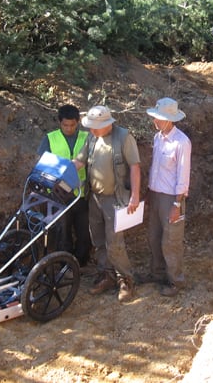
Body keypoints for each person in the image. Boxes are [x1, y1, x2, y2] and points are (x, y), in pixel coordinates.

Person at [73, 105, 141, 303]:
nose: (91, 130)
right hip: (94, 198)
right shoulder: (92, 137)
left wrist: (135, 196)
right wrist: (59, 171)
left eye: (95, 126)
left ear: (106, 124)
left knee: (115, 243)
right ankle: (106, 275)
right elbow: (78, 162)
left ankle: (125, 280)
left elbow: (135, 168)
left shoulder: (123, 138)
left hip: (115, 199)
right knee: (99, 240)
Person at [144, 98, 191, 297]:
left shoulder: (181, 142)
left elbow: (183, 176)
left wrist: (176, 204)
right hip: (155, 195)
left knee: (171, 240)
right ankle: (157, 273)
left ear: (170, 120)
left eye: (159, 118)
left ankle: (176, 281)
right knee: (154, 236)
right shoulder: (158, 137)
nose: (155, 120)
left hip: (171, 197)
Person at [36, 104, 91, 267]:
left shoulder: (86, 137)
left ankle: (81, 264)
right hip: (57, 194)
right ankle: (65, 266)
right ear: (60, 123)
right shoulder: (50, 138)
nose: (69, 128)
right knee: (63, 231)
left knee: (83, 231)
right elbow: (42, 163)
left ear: (78, 122)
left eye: (72, 125)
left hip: (81, 194)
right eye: (65, 125)